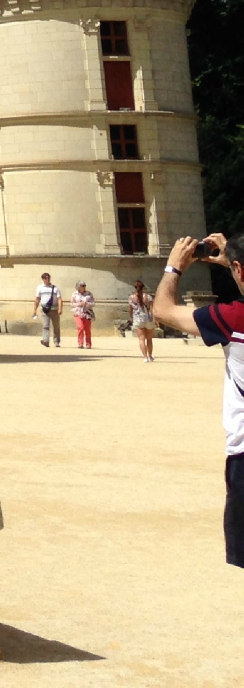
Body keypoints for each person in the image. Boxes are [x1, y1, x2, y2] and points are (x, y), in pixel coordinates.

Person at [152, 233, 244, 566]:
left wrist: (174, 268)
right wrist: (232, 262)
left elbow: (163, 310)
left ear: (239, 270)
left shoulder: (233, 319)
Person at [32, 272, 62, 347]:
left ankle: (56, 341)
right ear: (43, 279)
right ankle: (46, 341)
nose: (47, 279)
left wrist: (60, 308)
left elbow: (59, 299)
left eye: (48, 278)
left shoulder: (55, 288)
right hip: (44, 309)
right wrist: (34, 310)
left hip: (54, 309)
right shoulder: (39, 288)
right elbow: (37, 299)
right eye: (45, 278)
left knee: (56, 326)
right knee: (45, 326)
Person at [129, 280, 155, 362]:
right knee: (149, 339)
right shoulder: (148, 297)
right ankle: (150, 356)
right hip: (148, 319)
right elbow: (152, 309)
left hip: (138, 319)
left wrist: (131, 317)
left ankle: (145, 357)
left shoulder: (131, 298)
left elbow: (131, 309)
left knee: (141, 339)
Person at [71, 282, 96, 349]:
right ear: (78, 287)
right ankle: (80, 343)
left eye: (84, 285)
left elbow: (93, 303)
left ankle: (88, 344)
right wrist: (79, 304)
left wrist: (86, 303)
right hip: (78, 312)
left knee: (87, 329)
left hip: (87, 313)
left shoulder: (89, 294)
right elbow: (72, 303)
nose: (84, 287)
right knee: (80, 327)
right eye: (82, 286)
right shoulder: (74, 294)